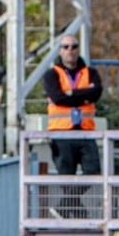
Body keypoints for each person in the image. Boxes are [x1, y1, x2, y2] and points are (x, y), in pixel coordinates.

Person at [42, 35, 103, 213]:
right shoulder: (52, 74)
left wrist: (70, 94)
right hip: (61, 133)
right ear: (60, 50)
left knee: (93, 171)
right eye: (66, 47)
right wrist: (83, 94)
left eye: (74, 46)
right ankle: (78, 212)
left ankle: (64, 207)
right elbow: (57, 97)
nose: (70, 50)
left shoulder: (91, 72)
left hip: (85, 132)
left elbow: (96, 93)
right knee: (66, 177)